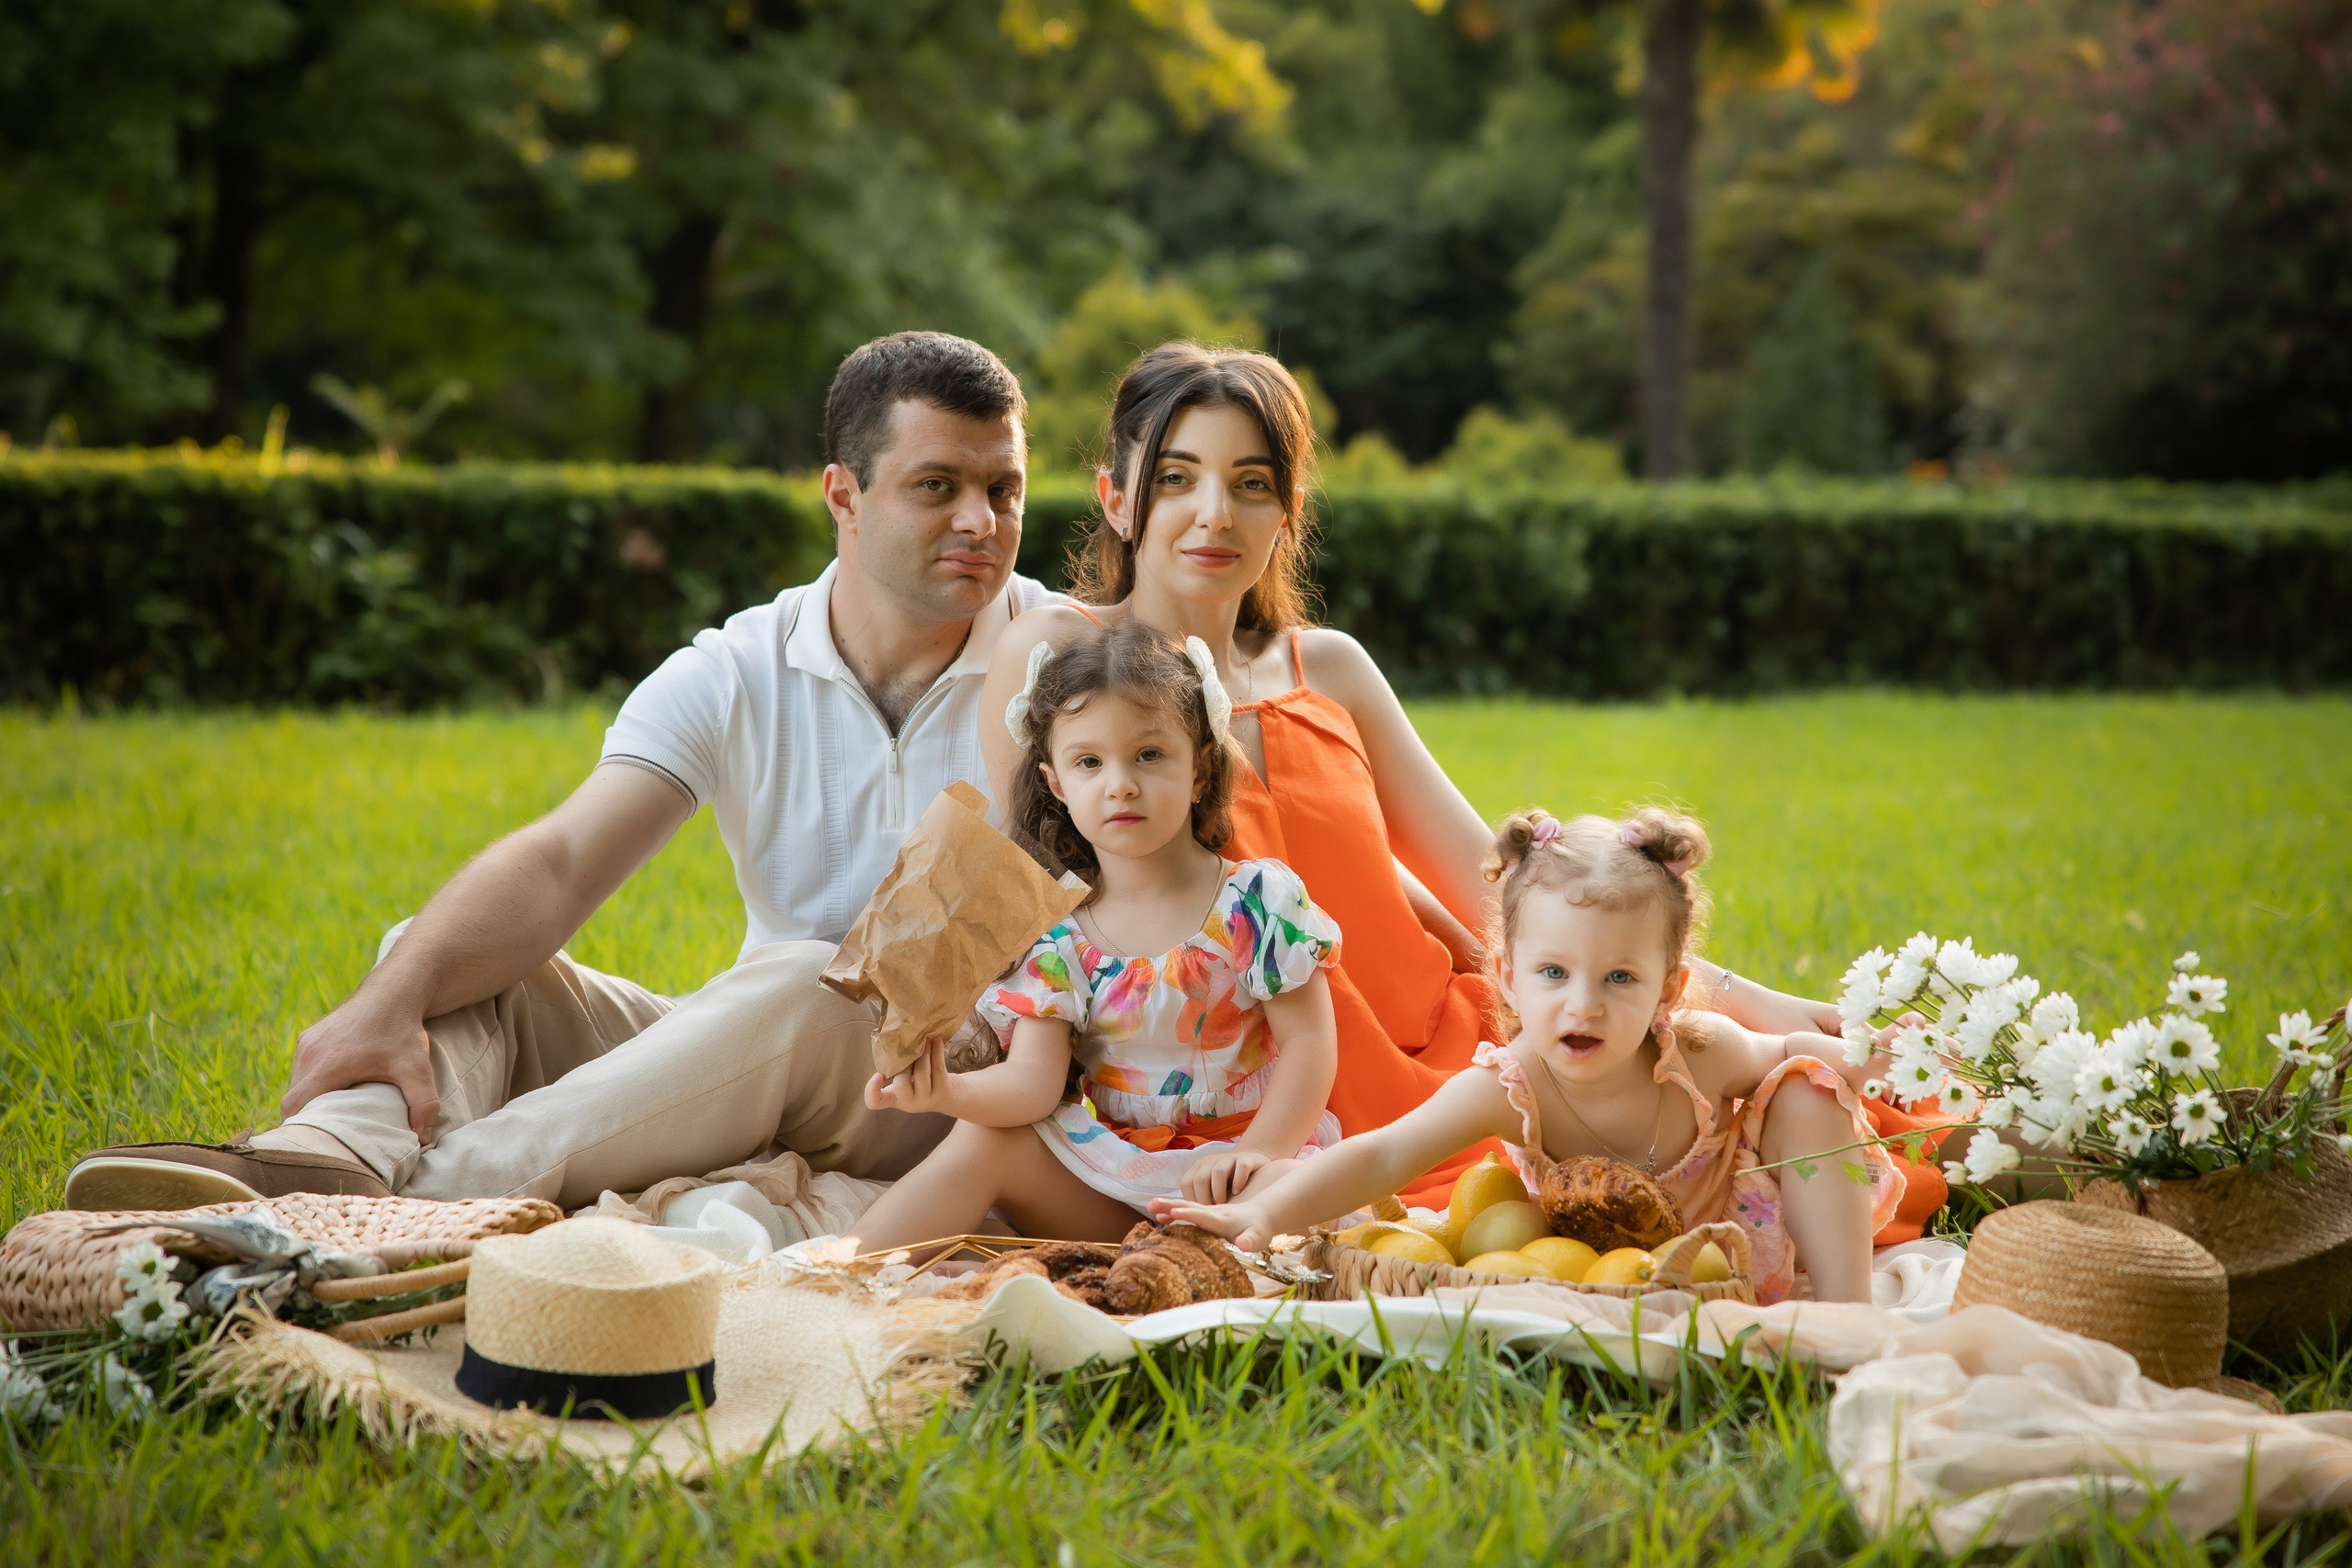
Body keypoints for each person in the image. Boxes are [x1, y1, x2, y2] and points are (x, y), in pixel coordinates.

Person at [64, 331, 1056, 1214]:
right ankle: (320, 1158)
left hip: (947, 1077)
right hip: (758, 1036)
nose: (981, 520)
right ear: (843, 494)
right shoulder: (741, 664)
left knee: (807, 978)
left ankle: (436, 1196)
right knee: (445, 957)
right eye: (939, 486)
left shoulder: (1065, 669)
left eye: (1002, 490)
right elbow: (564, 862)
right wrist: (385, 1002)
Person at [980, 343, 1852, 1206]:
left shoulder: (1329, 667)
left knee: (1833, 1091)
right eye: (1176, 477)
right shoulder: (1061, 655)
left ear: (1287, 511)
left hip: (1441, 1059)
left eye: (1252, 483)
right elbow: (1043, 903)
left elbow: (1503, 884)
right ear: (1115, 498)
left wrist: (1742, 996)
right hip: (1238, 1099)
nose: (1215, 513)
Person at [1159, 807, 1904, 1303]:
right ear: (1509, 975)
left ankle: (1849, 1313)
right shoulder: (1513, 1084)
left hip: (1736, 1252)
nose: (1583, 1005)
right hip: (1606, 1275)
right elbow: (1385, 1155)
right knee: (1340, 1186)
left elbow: (1790, 1047)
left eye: (1620, 978)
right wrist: (1257, 1216)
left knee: (1807, 1088)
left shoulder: (1700, 1052)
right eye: (1554, 974)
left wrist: (1861, 1060)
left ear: (1670, 987)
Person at [852, 621, 1341, 1252]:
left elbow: (1310, 1043)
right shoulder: (1059, 939)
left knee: (1289, 1197)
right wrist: (948, 1089)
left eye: (1149, 754)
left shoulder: (1254, 904)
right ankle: (834, 1274)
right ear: (1058, 784)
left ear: (1199, 768)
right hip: (1116, 1193)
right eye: (1089, 761)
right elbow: (1032, 1082)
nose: (1121, 783)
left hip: (1245, 1188)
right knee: (984, 1138)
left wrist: (1254, 1155)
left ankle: (1222, 1245)